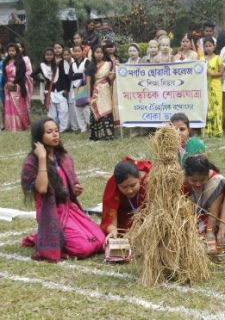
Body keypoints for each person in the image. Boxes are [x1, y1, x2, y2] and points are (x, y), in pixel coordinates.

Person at [21, 118, 104, 261]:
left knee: (100, 240)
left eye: (56, 131)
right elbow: (41, 189)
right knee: (82, 248)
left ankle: (44, 237)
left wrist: (76, 190)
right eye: (49, 132)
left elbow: (70, 189)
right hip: (51, 213)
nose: (55, 135)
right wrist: (42, 158)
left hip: (69, 208)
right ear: (39, 136)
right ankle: (48, 239)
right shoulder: (32, 162)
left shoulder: (64, 157)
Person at [101, 158, 152, 240]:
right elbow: (110, 218)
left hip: (149, 218)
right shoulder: (112, 185)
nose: (129, 191)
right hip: (124, 219)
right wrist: (113, 231)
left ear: (139, 179)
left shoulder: (150, 181)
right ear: (117, 185)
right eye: (124, 187)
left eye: (133, 185)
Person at [183, 154, 225, 234]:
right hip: (194, 218)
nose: (198, 184)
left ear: (207, 174)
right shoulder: (181, 181)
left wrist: (210, 237)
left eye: (202, 180)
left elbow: (213, 214)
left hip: (214, 220)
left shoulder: (216, 182)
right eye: (194, 181)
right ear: (187, 177)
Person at [33, 48, 69, 131]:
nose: (49, 56)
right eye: (47, 55)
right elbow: (33, 74)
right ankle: (52, 128)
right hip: (50, 91)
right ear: (44, 56)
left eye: (51, 54)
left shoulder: (58, 64)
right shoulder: (42, 66)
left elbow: (63, 77)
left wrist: (65, 88)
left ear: (53, 56)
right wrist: (42, 80)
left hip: (60, 90)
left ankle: (63, 128)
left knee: (64, 110)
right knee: (51, 112)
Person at [86, 45, 114, 140]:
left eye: (101, 52)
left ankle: (107, 134)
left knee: (106, 109)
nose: (99, 54)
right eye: (97, 52)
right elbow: (88, 83)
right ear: (93, 54)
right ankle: (97, 135)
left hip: (105, 90)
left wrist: (112, 77)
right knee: (97, 110)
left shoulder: (108, 64)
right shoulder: (90, 66)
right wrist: (88, 96)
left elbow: (112, 79)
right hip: (95, 92)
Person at [3, 43, 30, 131]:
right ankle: (10, 126)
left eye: (13, 50)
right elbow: (4, 74)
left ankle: (19, 126)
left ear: (16, 51)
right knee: (9, 106)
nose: (11, 52)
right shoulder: (5, 62)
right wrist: (7, 82)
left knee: (18, 106)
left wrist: (14, 82)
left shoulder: (20, 61)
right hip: (8, 86)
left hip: (17, 86)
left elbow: (22, 74)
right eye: (9, 51)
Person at [68, 45, 91, 133]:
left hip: (83, 87)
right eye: (75, 51)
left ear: (82, 52)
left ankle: (89, 125)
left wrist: (76, 74)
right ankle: (83, 128)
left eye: (79, 51)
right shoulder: (72, 64)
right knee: (77, 109)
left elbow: (88, 73)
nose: (77, 53)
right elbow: (70, 77)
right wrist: (81, 73)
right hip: (75, 88)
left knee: (85, 109)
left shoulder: (86, 61)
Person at [204, 38, 224, 137]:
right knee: (208, 106)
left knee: (217, 106)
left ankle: (217, 130)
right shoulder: (203, 59)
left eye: (210, 46)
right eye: (206, 46)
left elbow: (221, 72)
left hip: (215, 84)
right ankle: (209, 129)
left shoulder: (218, 58)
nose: (208, 48)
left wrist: (211, 73)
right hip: (206, 85)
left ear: (214, 46)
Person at [102, 40, 121, 127]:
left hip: (118, 82)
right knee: (109, 102)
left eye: (112, 46)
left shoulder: (118, 57)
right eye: (108, 47)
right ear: (105, 48)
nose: (110, 48)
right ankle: (111, 121)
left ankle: (118, 121)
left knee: (117, 102)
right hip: (108, 82)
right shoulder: (104, 59)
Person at [17, 42, 33, 108]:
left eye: (19, 47)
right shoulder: (12, 59)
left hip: (24, 82)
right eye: (16, 47)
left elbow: (29, 71)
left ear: (23, 49)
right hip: (14, 83)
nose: (18, 48)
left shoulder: (26, 58)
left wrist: (21, 77)